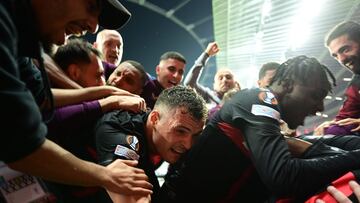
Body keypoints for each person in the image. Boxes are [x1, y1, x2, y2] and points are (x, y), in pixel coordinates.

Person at [0, 0, 153, 196]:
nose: (93, 26)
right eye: (92, 6)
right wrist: (105, 175)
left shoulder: (20, 34)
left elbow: (41, 98)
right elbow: (22, 144)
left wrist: (107, 94)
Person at [158, 55, 360, 202]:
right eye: (316, 96)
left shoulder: (264, 114)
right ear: (289, 85)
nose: (320, 107)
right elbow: (283, 177)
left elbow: (317, 143)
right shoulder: (261, 99)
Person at [94, 85, 208, 202]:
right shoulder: (121, 131)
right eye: (180, 131)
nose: (188, 145)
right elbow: (126, 192)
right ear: (155, 119)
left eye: (195, 136)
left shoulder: (163, 133)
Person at [314, 21, 360, 136]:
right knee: (330, 131)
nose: (341, 59)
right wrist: (333, 124)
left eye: (345, 49)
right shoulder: (356, 82)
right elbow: (347, 114)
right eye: (336, 56)